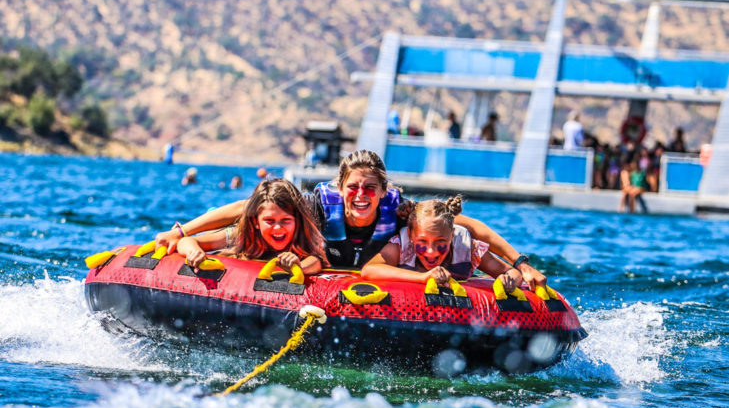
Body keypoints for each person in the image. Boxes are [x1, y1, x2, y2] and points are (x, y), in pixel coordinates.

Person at [155, 150, 547, 289]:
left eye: (370, 189)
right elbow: (248, 207)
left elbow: (470, 228)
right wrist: (183, 231)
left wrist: (520, 264)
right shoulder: (319, 207)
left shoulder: (402, 211)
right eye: (354, 188)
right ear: (341, 187)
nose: (361, 196)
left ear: (382, 190)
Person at [362, 196, 522, 292]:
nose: (431, 252)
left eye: (440, 242)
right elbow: (369, 270)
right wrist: (423, 277)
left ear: (452, 235)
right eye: (422, 242)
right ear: (410, 235)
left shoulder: (468, 249)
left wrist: (508, 281)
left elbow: (512, 272)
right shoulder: (401, 247)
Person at [176, 179, 327, 275]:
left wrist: (299, 266)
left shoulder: (301, 237)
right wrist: (194, 252)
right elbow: (185, 241)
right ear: (256, 221)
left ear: (296, 221)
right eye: (269, 220)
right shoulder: (241, 235)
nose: (278, 228)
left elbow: (316, 261)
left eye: (286, 220)